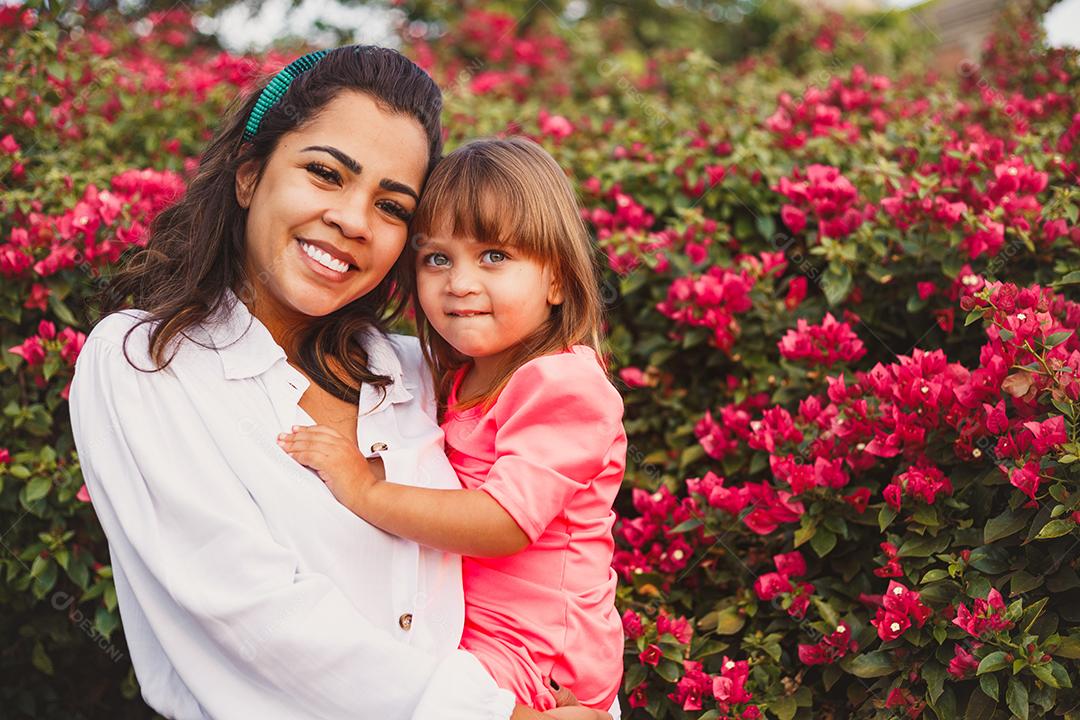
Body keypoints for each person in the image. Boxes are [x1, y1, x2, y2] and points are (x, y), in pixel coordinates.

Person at [69, 46, 613, 720]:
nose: (354, 221)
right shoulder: (147, 360)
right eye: (326, 173)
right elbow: (258, 618)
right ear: (249, 174)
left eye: (392, 207)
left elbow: (552, 554)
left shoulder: (418, 370)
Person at [277, 137, 626, 715]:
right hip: (481, 639)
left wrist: (365, 489)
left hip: (538, 658)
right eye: (437, 258)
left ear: (558, 281)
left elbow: (502, 523)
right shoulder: (457, 380)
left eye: (494, 256)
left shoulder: (562, 384)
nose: (460, 282)